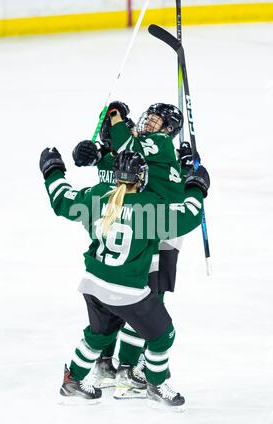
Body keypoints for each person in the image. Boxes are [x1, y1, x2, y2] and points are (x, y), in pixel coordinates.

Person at [40, 146, 210, 406]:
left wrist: (52, 170)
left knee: (99, 334)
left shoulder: (97, 196)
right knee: (163, 335)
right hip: (127, 291)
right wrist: (196, 187)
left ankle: (72, 380)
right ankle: (156, 383)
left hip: (94, 285)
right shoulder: (148, 207)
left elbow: (62, 200)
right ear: (140, 178)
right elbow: (188, 216)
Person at [72, 101, 198, 395]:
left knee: (127, 305)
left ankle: (113, 365)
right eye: (148, 118)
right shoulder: (133, 153)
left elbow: (137, 156)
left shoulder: (149, 149)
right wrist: (90, 153)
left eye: (156, 120)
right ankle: (126, 368)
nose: (148, 123)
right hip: (150, 233)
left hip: (156, 234)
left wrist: (186, 166)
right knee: (142, 302)